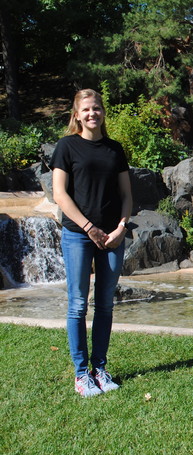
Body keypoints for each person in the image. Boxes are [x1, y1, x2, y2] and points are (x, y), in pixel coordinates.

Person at [51, 89, 132, 397]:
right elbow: (60, 194)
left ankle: (100, 368)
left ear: (103, 112)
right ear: (77, 115)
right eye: (86, 110)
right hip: (77, 235)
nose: (92, 114)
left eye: (96, 108)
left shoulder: (115, 149)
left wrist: (121, 227)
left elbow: (126, 196)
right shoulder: (66, 146)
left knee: (106, 304)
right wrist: (89, 228)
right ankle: (81, 374)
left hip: (112, 236)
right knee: (77, 304)